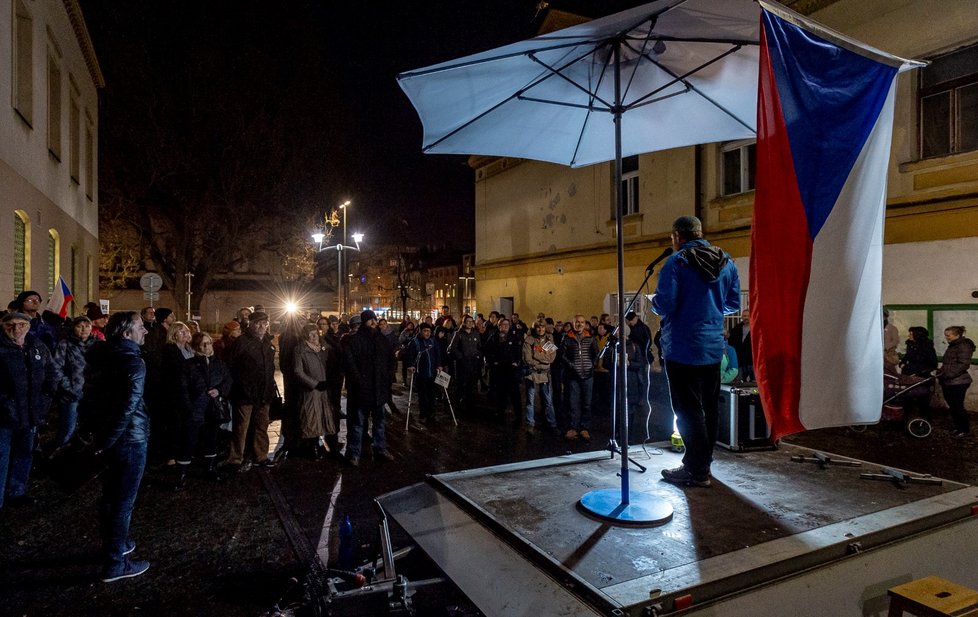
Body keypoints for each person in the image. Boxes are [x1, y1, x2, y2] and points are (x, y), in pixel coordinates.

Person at [652, 215, 740, 487]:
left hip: (682, 347)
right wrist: (710, 310)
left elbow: (665, 304)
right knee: (709, 408)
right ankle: (704, 464)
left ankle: (695, 469)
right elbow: (733, 303)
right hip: (713, 348)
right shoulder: (727, 261)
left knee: (687, 409)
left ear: (677, 236)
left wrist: (655, 303)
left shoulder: (676, 262)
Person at [85, 311, 151, 582]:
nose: (145, 331)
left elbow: (90, 398)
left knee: (110, 498)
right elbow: (127, 408)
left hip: (109, 437)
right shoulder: (133, 364)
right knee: (122, 502)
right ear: (126, 334)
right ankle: (115, 564)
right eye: (140, 327)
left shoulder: (101, 357)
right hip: (129, 440)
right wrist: (108, 441)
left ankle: (114, 546)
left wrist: (98, 438)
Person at [0, 312, 57, 509]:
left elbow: (51, 373)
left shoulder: (37, 346)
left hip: (30, 413)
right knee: (2, 455)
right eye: (10, 325)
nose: (16, 329)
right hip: (4, 416)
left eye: (21, 325)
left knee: (24, 453)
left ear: (29, 326)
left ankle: (16, 491)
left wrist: (46, 399)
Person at [175, 332, 232, 487]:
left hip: (212, 407)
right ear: (197, 346)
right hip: (196, 407)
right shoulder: (189, 365)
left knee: (211, 438)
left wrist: (219, 391)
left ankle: (210, 468)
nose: (207, 347)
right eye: (203, 344)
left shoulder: (219, 364)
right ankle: (181, 473)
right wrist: (188, 406)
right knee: (189, 440)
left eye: (209, 343)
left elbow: (227, 381)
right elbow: (183, 387)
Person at [226, 312, 277, 472]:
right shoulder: (241, 342)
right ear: (251, 324)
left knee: (261, 426)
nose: (261, 326)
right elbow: (230, 365)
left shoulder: (268, 342)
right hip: (245, 393)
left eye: (264, 323)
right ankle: (236, 459)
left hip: (264, 392)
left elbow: (270, 367)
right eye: (258, 323)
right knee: (241, 427)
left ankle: (260, 456)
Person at [343, 310, 395, 465]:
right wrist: (359, 381)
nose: (373, 322)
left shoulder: (381, 340)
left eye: (374, 319)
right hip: (362, 389)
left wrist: (387, 379)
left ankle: (380, 448)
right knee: (358, 423)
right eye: (370, 320)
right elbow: (350, 365)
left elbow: (390, 361)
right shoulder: (354, 341)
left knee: (379, 422)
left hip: (378, 388)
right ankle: (354, 453)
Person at [51, 315, 97, 449]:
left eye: (87, 326)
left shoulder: (97, 344)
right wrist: (68, 386)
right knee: (67, 429)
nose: (84, 329)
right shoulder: (65, 344)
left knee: (89, 430)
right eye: (79, 326)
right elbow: (56, 367)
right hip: (71, 395)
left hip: (92, 394)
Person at [292, 324, 333, 458]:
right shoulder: (300, 350)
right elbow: (298, 371)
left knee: (321, 416)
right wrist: (314, 384)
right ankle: (312, 446)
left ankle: (320, 444)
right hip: (310, 389)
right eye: (311, 334)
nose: (314, 336)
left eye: (316, 333)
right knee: (310, 417)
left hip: (323, 388)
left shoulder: (324, 348)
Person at [938, 326, 975, 437]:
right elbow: (948, 363)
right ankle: (958, 427)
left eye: (948, 335)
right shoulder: (953, 345)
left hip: (958, 382)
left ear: (957, 335)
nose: (946, 337)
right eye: (946, 334)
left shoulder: (963, 345)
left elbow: (963, 364)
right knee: (953, 406)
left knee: (957, 406)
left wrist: (947, 374)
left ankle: (963, 429)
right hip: (949, 381)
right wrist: (940, 372)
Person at [485, 318, 523, 424]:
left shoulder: (514, 337)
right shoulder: (493, 337)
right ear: (499, 326)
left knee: (514, 393)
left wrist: (516, 362)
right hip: (499, 369)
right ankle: (500, 413)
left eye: (507, 324)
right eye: (503, 324)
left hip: (511, 369)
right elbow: (487, 351)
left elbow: (519, 352)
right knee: (500, 392)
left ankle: (518, 414)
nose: (505, 326)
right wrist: (493, 362)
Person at [522, 319, 557, 434]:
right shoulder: (529, 340)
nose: (540, 329)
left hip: (545, 374)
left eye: (542, 327)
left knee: (548, 401)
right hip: (532, 373)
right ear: (534, 328)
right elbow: (527, 359)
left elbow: (551, 358)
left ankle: (552, 424)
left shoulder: (549, 339)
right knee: (530, 401)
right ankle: (530, 424)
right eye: (538, 327)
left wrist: (536, 355)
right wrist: (543, 359)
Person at [406, 322, 442, 423]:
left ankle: (431, 413)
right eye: (425, 331)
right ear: (420, 331)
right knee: (423, 395)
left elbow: (437, 353)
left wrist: (439, 364)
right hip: (420, 373)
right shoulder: (415, 342)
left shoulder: (433, 341)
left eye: (429, 331)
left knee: (431, 394)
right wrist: (411, 365)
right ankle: (423, 413)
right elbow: (410, 355)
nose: (427, 333)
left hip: (432, 373)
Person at [451, 315, 482, 416]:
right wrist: (461, 356)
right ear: (463, 323)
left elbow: (479, 347)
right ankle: (458, 406)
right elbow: (452, 348)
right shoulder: (458, 334)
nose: (469, 323)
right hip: (463, 365)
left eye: (471, 321)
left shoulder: (475, 334)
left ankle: (470, 406)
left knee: (471, 385)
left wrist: (478, 355)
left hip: (473, 364)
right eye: (467, 322)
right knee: (461, 386)